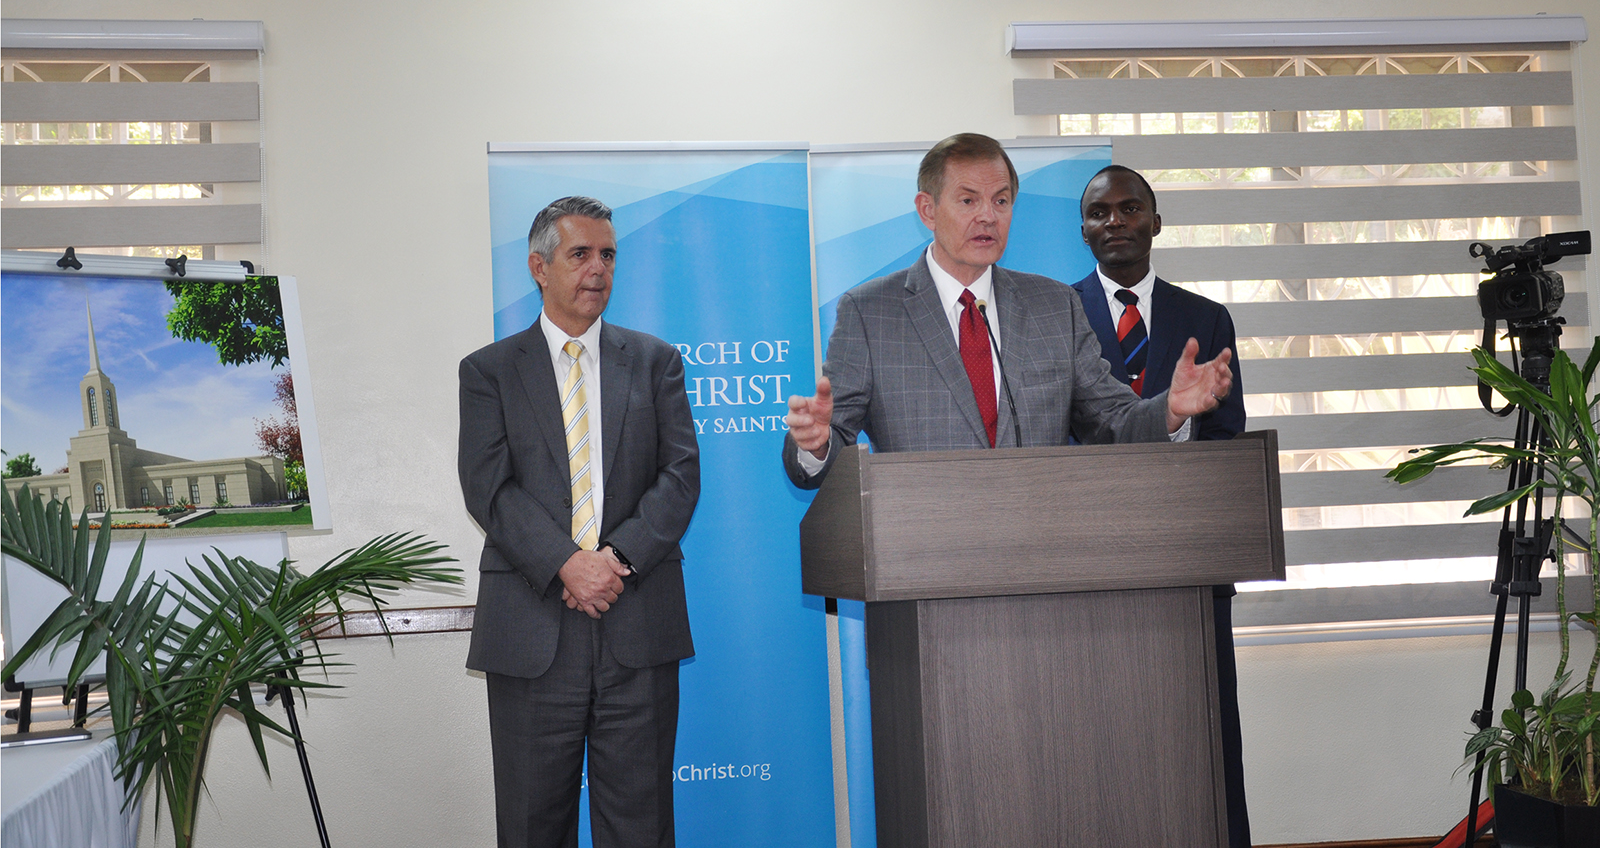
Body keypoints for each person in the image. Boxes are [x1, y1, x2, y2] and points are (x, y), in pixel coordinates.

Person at [782, 133, 1233, 486]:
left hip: (1042, 558)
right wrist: (817, 445)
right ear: (927, 210)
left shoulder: (1055, 306)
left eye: (1000, 201)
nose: (987, 216)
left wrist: (1170, 410)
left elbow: (1111, 421)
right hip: (921, 564)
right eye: (967, 200)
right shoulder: (870, 313)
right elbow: (833, 437)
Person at [459, 195, 700, 848]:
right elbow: (488, 487)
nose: (598, 268)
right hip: (532, 634)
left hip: (638, 627)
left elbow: (680, 477)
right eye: (580, 254)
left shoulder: (655, 361)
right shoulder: (489, 371)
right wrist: (568, 563)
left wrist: (611, 560)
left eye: (609, 255)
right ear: (539, 266)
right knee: (534, 825)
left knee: (641, 826)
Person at [1073, 164, 1251, 848]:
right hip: (1090, 572)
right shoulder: (1054, 314)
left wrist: (1177, 423)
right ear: (1083, 229)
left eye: (1129, 208)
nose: (1114, 222)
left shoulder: (1206, 318)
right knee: (1101, 745)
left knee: (1201, 736)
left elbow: (1229, 440)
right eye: (1099, 213)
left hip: (1190, 568)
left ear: (1155, 219)